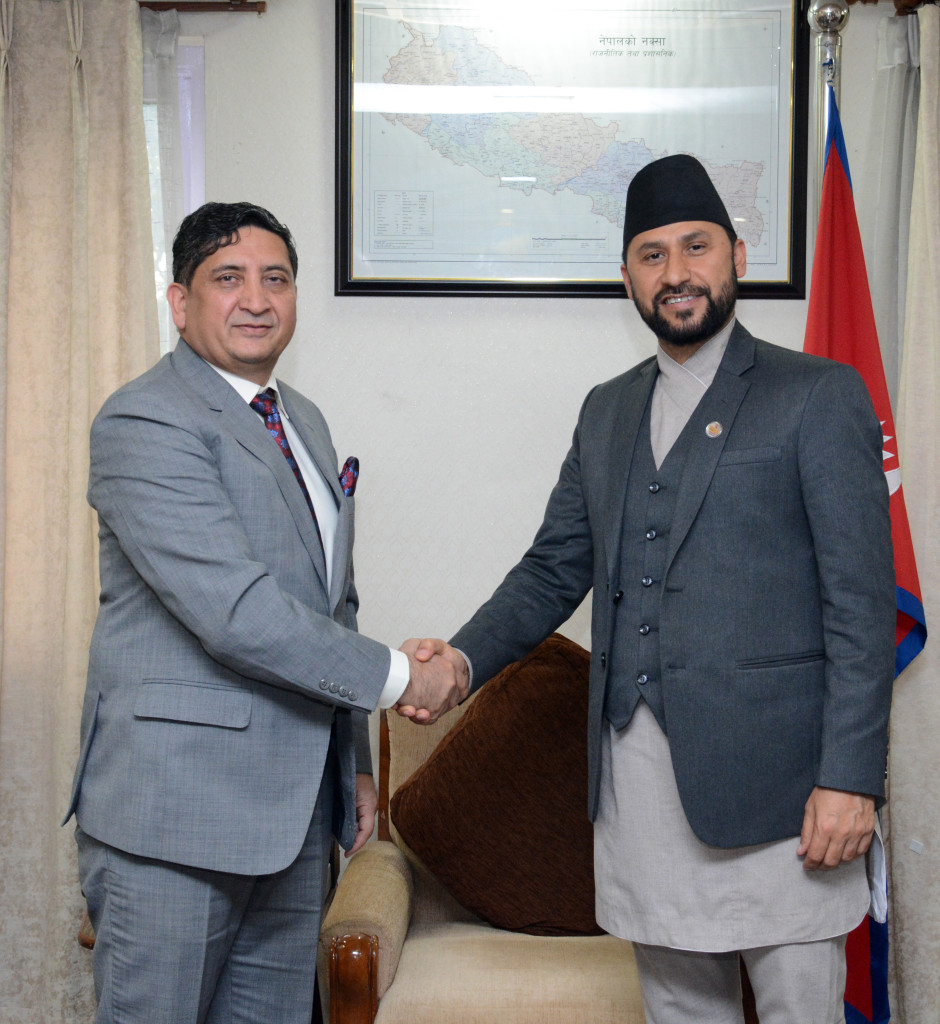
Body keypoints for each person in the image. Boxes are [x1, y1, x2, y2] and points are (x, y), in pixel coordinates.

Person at [404, 155, 895, 1024]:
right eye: (652, 255)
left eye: (696, 247)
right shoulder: (606, 410)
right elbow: (553, 567)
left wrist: (850, 779)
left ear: (737, 255)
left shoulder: (817, 395)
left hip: (786, 796)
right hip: (641, 790)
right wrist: (461, 661)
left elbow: (860, 605)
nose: (676, 272)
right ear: (628, 276)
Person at [63, 202, 464, 1024]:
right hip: (172, 822)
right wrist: (402, 678)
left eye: (275, 278)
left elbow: (332, 603)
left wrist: (352, 764)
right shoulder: (146, 419)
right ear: (181, 302)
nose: (256, 299)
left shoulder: (301, 419)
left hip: (292, 826)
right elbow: (237, 613)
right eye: (229, 278)